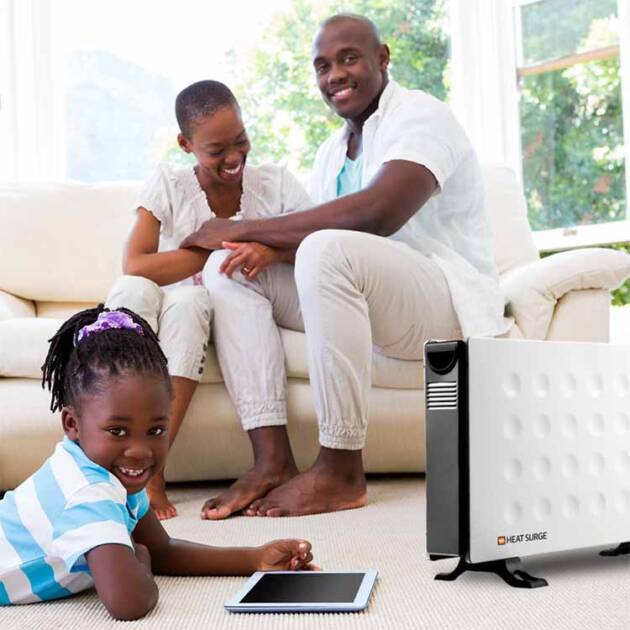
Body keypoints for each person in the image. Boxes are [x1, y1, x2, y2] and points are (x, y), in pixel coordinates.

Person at [183, 14, 510, 518]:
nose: (333, 74)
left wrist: (239, 227)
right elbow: (320, 246)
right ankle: (271, 459)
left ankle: (340, 467)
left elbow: (377, 214)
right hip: (366, 301)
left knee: (316, 247)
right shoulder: (332, 151)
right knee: (226, 269)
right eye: (322, 66)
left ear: (382, 58)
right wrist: (256, 247)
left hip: (440, 300)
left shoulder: (422, 116)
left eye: (348, 58)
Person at [0, 306, 315, 619]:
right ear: (72, 424)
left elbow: (164, 550)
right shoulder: (88, 492)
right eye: (117, 431)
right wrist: (140, 557)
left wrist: (254, 558)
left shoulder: (113, 474)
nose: (140, 451)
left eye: (156, 430)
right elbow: (129, 603)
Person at [107, 79, 312, 519]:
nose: (234, 157)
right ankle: (144, 472)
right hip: (191, 309)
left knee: (213, 286)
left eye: (241, 141)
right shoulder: (170, 184)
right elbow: (136, 263)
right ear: (186, 144)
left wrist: (261, 246)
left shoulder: (276, 183)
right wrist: (210, 247)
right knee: (186, 304)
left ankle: (155, 470)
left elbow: (319, 248)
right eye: (217, 150)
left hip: (255, 303)